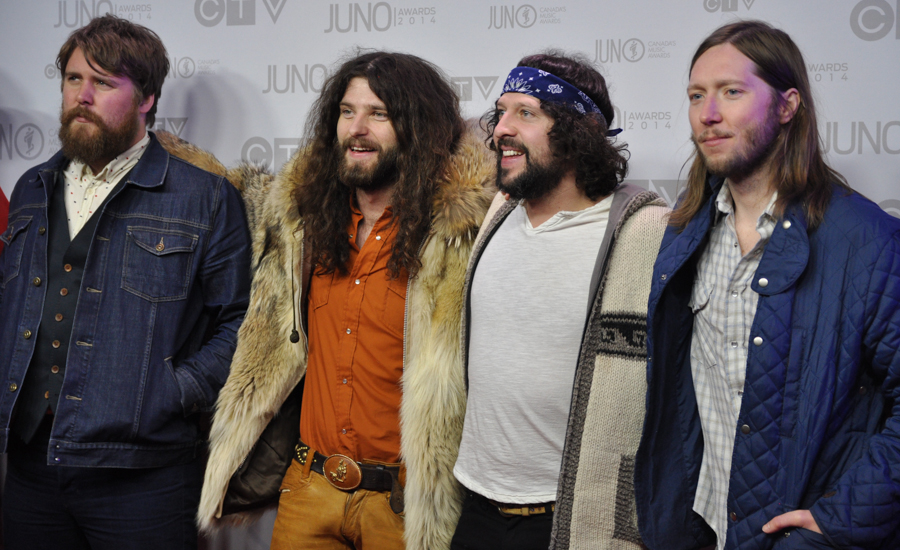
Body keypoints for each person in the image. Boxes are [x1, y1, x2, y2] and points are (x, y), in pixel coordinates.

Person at [197, 51, 494, 550]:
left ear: (418, 127)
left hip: (405, 505)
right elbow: (228, 188)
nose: (357, 128)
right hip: (309, 489)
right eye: (347, 111)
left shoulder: (462, 236)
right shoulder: (298, 221)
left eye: (379, 114)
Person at [635, 20, 900, 550]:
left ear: (787, 106)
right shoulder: (684, 235)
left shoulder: (867, 240)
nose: (708, 114)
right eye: (696, 95)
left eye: (732, 92)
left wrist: (837, 521)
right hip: (700, 529)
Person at [0, 15, 251, 550]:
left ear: (147, 99)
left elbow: (239, 320)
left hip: (144, 479)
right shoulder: (30, 186)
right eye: (72, 80)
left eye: (104, 83)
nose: (82, 96)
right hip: (29, 466)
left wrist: (174, 390)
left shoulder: (203, 197)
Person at [450, 52, 668, 550]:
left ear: (577, 132)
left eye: (525, 113)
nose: (500, 129)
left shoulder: (642, 232)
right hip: (475, 507)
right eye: (500, 112)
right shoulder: (499, 214)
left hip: (570, 518)